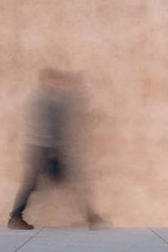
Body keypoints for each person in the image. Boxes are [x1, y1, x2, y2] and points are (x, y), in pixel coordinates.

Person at [7, 68, 103, 230]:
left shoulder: (40, 96)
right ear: (49, 80)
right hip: (44, 150)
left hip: (39, 149)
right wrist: (55, 151)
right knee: (71, 179)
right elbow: (51, 127)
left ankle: (91, 216)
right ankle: (90, 216)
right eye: (56, 80)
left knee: (43, 182)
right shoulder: (48, 99)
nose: (59, 84)